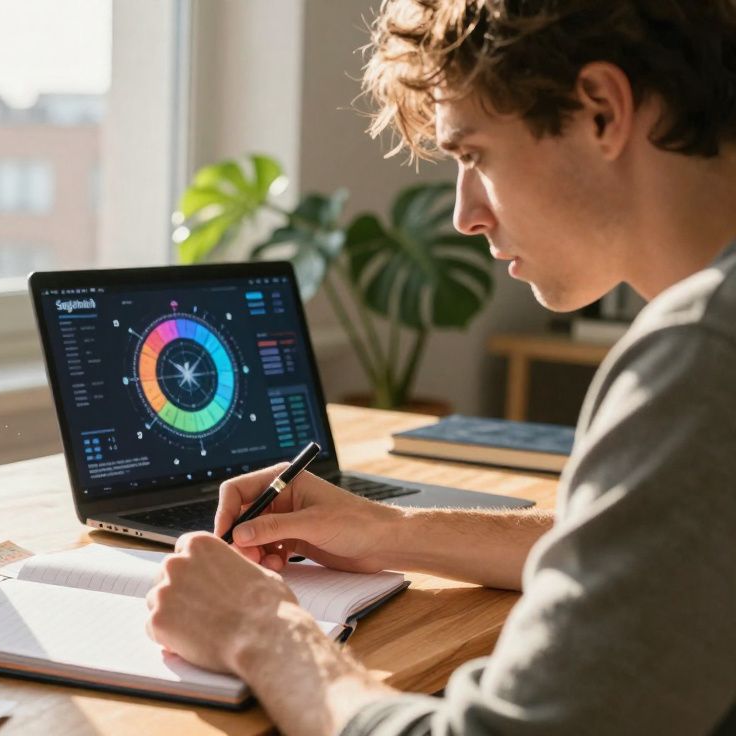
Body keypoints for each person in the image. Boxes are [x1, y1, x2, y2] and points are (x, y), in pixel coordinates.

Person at [144, 1, 736, 734]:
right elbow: (659, 552)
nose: (464, 215)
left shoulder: (706, 354)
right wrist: (388, 529)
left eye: (474, 155)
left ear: (602, 111)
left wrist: (261, 631)